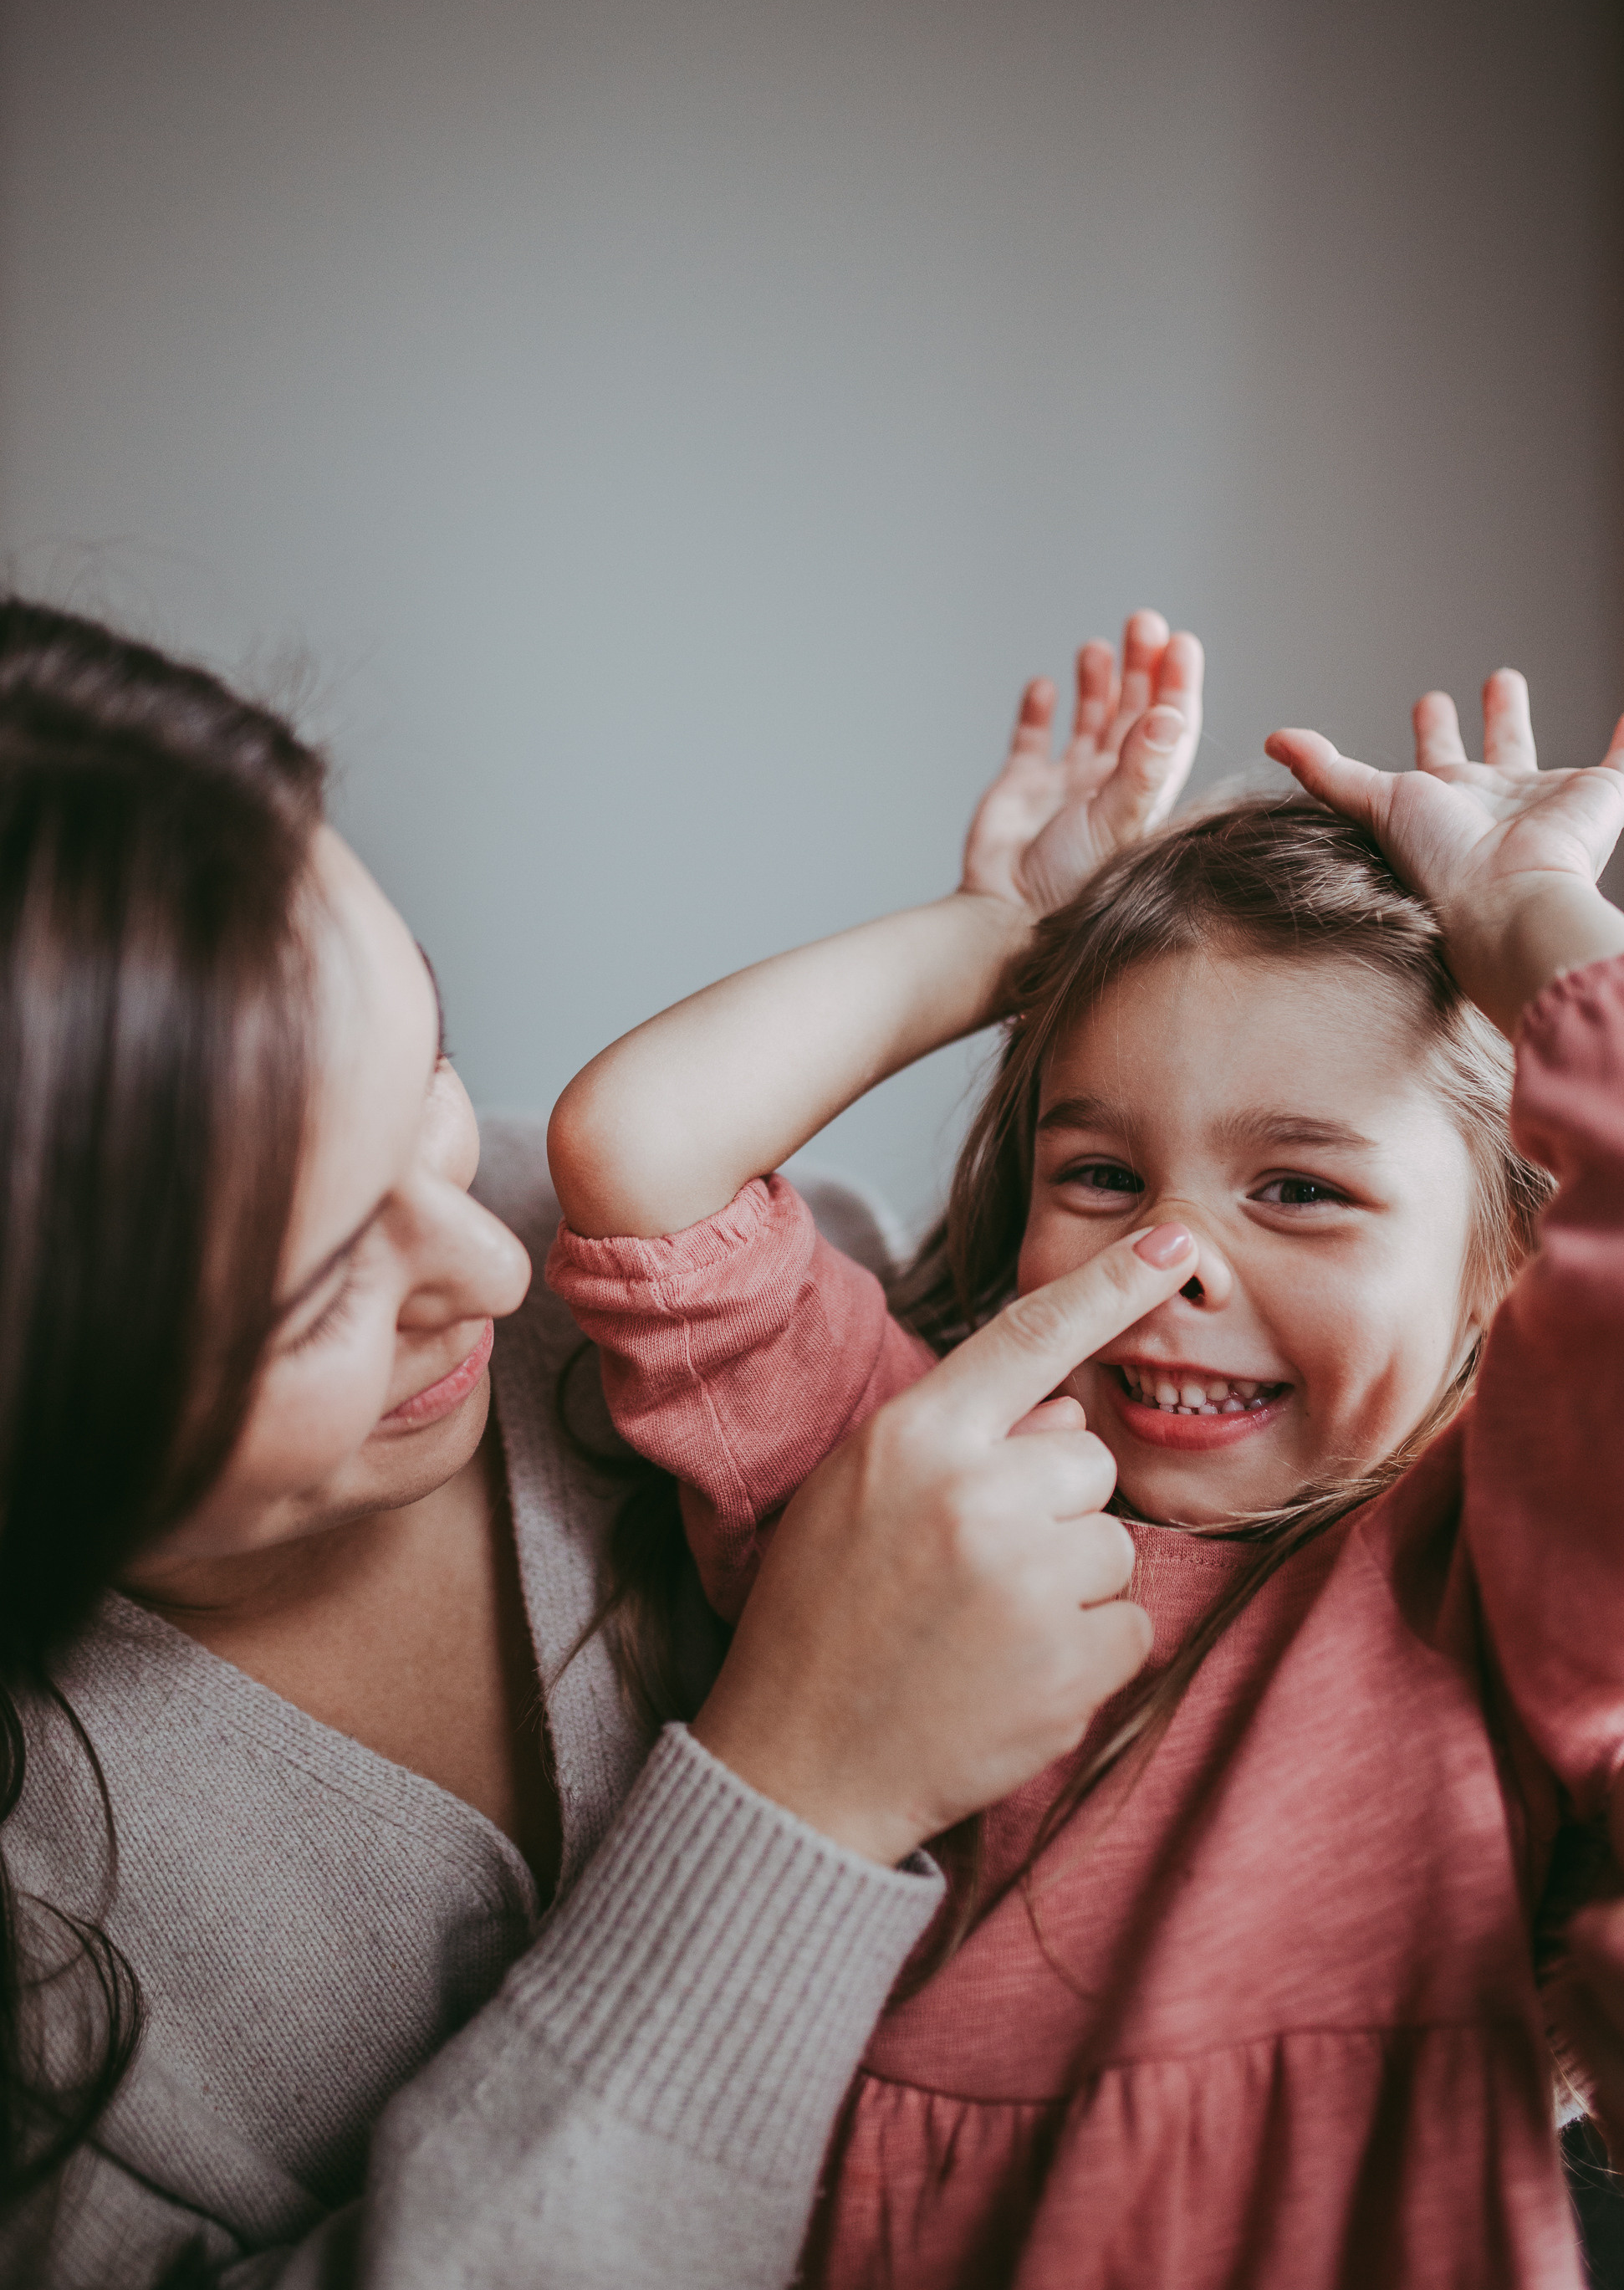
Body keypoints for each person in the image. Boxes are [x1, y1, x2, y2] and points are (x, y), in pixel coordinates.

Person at [0, 597, 1203, 2288]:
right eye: (317, 1289)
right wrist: (800, 1791)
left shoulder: (710, 1281)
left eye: (423, 1061)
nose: (496, 1262)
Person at [549, 649, 1624, 2287]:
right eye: (1097, 1171)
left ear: (1504, 1259)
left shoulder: (1500, 1572)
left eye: (1299, 1191)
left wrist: (1519, 916)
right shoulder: (927, 1485)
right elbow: (635, 1154)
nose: (1169, 1257)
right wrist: (999, 939)